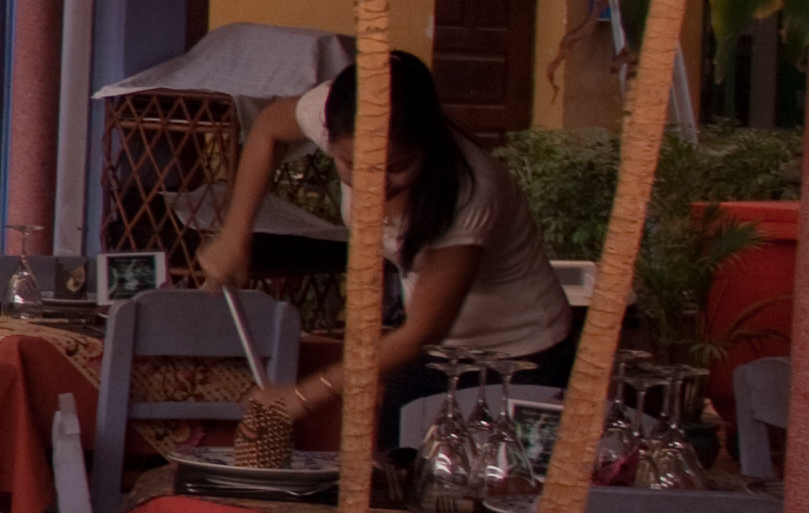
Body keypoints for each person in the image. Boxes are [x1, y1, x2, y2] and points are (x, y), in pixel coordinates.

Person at [194, 48, 575, 446]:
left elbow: (421, 331)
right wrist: (235, 237)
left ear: (428, 143)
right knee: (397, 470)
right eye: (353, 166)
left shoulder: (472, 192)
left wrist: (301, 396)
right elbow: (269, 129)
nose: (374, 183)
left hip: (521, 360)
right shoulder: (339, 111)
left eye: (395, 167)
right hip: (440, 356)